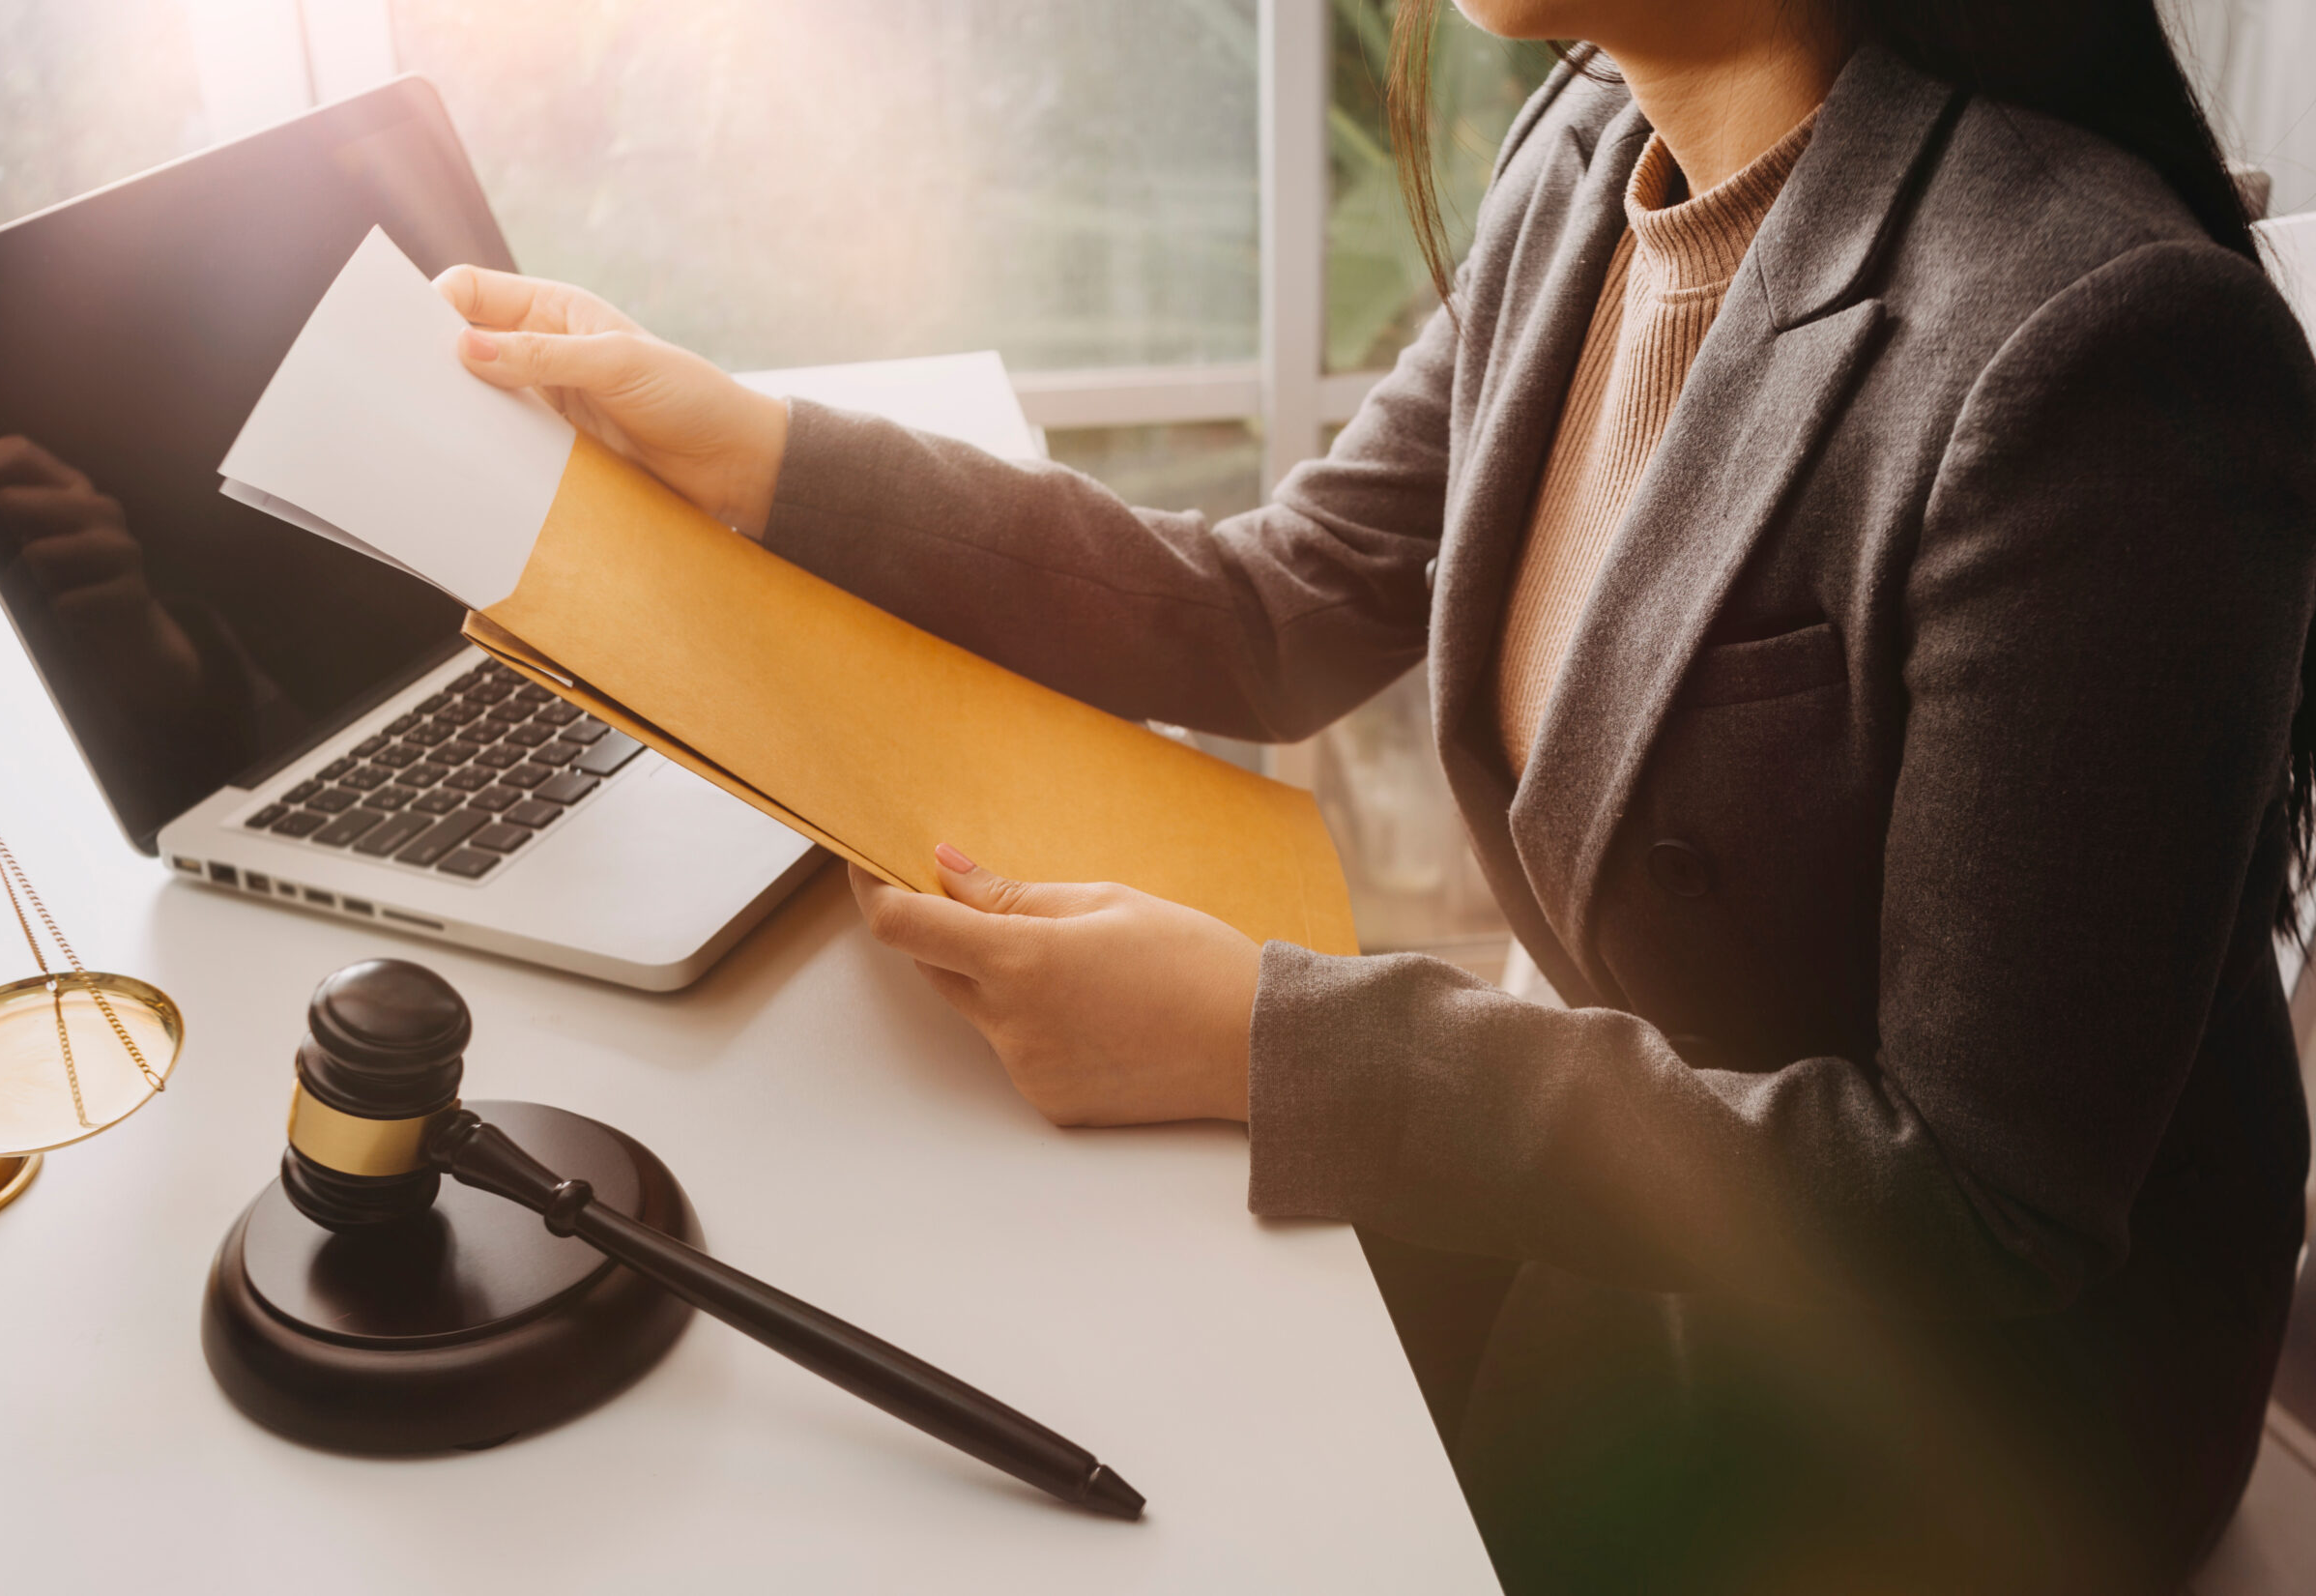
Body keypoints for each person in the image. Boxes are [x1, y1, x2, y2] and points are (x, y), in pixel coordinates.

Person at [438, 2, 2316, 1588]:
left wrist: (1265, 1040)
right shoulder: (1593, 138)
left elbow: (1973, 1211)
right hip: (1643, 1203)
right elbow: (1270, 602)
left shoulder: (2095, 347)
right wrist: (764, 457)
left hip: (1962, 1418)